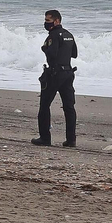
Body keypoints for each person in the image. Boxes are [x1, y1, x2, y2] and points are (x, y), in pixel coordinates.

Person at [33, 9, 78, 148]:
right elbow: (74, 54)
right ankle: (71, 140)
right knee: (69, 107)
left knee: (44, 106)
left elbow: (51, 54)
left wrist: (44, 48)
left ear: (57, 21)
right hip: (68, 74)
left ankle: (45, 138)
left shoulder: (53, 35)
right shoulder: (69, 35)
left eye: (48, 20)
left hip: (54, 74)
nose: (46, 23)